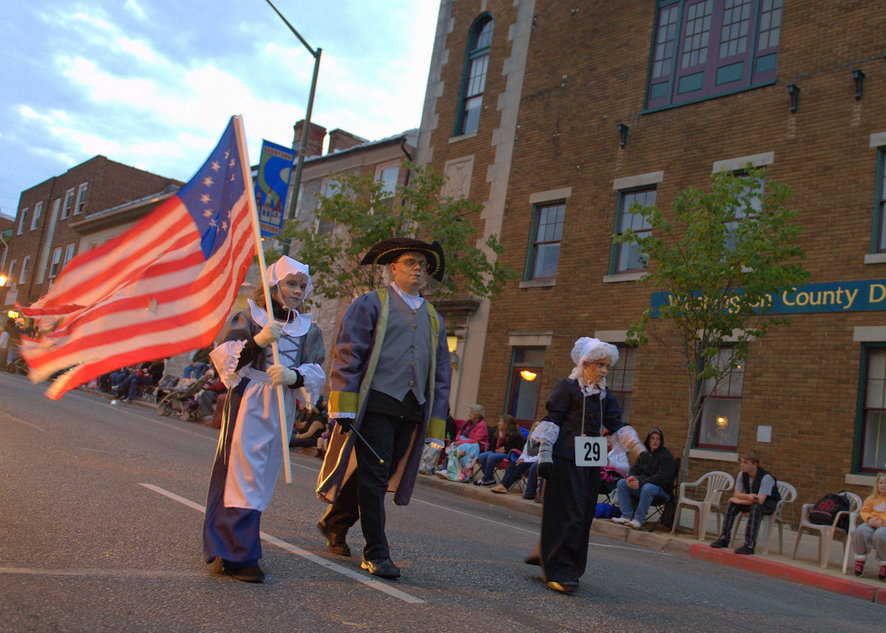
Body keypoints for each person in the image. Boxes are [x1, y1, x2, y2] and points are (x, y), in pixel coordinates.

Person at [316, 238, 451, 580]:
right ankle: (376, 552)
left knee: (377, 473)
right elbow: (348, 353)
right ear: (393, 267)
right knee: (375, 475)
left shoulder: (435, 318)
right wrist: (343, 405)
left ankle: (336, 521)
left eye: (423, 264)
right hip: (375, 403)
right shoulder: (370, 303)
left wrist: (436, 429)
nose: (418, 269)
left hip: (412, 409)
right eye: (411, 262)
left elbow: (441, 378)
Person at [203, 256, 325, 583]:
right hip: (250, 399)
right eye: (291, 284)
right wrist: (256, 341)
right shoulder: (250, 317)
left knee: (262, 476)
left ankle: (229, 546)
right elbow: (225, 361)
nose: (298, 291)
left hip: (281, 403)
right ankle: (238, 553)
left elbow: (315, 370)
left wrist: (293, 376)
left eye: (302, 285)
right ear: (274, 285)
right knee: (242, 474)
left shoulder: (307, 328)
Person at [524, 337, 645, 594]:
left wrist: (636, 447)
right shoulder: (567, 388)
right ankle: (558, 569)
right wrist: (545, 456)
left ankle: (559, 560)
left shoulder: (604, 395)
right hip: (565, 458)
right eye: (599, 365)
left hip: (590, 460)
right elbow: (553, 420)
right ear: (585, 363)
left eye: (606, 366)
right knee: (565, 513)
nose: (603, 370)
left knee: (582, 514)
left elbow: (616, 422)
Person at [709, 449, 780, 555]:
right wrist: (746, 497)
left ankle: (749, 545)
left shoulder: (766, 478)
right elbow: (736, 494)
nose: (741, 465)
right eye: (741, 462)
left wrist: (741, 499)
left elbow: (760, 500)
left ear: (755, 465)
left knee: (755, 507)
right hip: (752, 502)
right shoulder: (742, 475)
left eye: (745, 463)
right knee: (732, 504)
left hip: (768, 505)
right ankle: (724, 538)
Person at [611, 427, 676, 530]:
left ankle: (639, 519)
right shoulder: (644, 454)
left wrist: (640, 482)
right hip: (643, 485)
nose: (655, 441)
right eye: (652, 438)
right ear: (648, 440)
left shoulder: (666, 455)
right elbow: (634, 469)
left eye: (658, 439)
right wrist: (631, 478)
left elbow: (661, 478)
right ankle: (626, 516)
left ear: (661, 440)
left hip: (661, 490)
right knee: (622, 483)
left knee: (648, 487)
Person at [436, 404, 490, 482]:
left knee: (459, 449)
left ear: (477, 415)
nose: (469, 414)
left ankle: (458, 473)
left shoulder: (481, 425)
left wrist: (461, 442)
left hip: (477, 446)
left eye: (471, 413)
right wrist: (458, 440)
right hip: (466, 443)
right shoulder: (468, 423)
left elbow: (476, 440)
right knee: (452, 447)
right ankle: (446, 469)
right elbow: (460, 433)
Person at [491, 419, 542, 499]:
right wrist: (521, 459)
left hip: (534, 462)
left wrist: (524, 460)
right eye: (535, 426)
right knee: (514, 462)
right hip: (526, 460)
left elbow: (539, 456)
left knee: (521, 465)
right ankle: (503, 484)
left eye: (539, 426)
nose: (536, 428)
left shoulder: (543, 441)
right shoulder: (530, 439)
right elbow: (524, 453)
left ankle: (505, 486)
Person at [851, 471, 886, 579]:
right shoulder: (871, 498)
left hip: (884, 525)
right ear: (877, 485)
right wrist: (869, 519)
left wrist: (882, 521)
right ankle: (859, 561)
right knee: (859, 531)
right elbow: (864, 511)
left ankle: (883, 565)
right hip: (871, 523)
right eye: (881, 483)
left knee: (880, 535)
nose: (884, 485)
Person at [475, 414, 525, 486]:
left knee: (491, 457)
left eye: (500, 422)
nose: (498, 423)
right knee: (482, 456)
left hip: (508, 455)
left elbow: (518, 448)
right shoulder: (497, 432)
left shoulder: (515, 435)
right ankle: (490, 478)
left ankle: (486, 479)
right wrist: (496, 450)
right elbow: (491, 445)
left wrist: (505, 449)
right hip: (496, 452)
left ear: (506, 424)